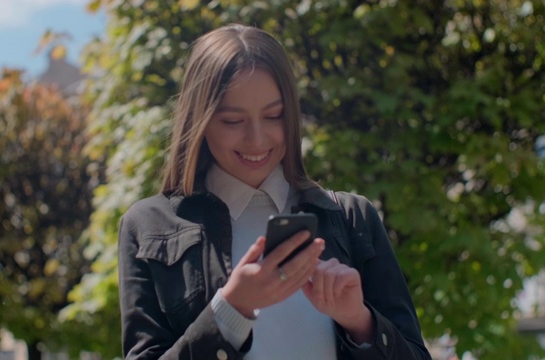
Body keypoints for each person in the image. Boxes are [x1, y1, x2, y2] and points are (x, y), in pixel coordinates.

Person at [118, 23, 431, 360]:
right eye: (233, 121)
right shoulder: (148, 225)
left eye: (274, 115)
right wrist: (231, 310)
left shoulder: (353, 218)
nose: (257, 139)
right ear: (200, 120)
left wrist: (360, 321)